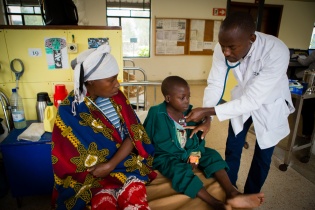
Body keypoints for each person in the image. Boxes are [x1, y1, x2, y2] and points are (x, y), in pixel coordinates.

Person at [185, 12, 295, 194]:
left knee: (263, 156)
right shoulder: (223, 48)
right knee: (233, 148)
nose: (226, 52)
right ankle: (230, 189)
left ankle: (250, 196)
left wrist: (208, 111)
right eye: (223, 47)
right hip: (241, 101)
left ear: (251, 39)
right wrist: (207, 117)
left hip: (270, 104)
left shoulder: (276, 51)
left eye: (232, 48)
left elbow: (253, 100)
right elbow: (215, 83)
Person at [51, 43, 157, 210]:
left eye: (116, 77)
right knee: (103, 202)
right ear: (91, 81)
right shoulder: (69, 110)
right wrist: (102, 169)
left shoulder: (117, 97)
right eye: (111, 79)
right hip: (93, 176)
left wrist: (110, 165)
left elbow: (134, 134)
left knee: (135, 199)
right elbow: (68, 159)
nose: (117, 84)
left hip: (124, 162)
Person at [143, 76, 264, 210]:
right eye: (182, 98)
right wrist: (145, 162)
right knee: (179, 171)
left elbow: (198, 138)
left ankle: (232, 193)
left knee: (212, 155)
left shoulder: (190, 113)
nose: (187, 101)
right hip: (167, 157)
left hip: (188, 152)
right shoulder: (156, 113)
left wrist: (195, 155)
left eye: (188, 97)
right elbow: (145, 139)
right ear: (168, 98)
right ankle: (215, 203)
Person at [297, 50, 315, 140]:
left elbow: (305, 62)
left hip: (312, 82)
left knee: (307, 109)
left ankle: (307, 134)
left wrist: (297, 57)